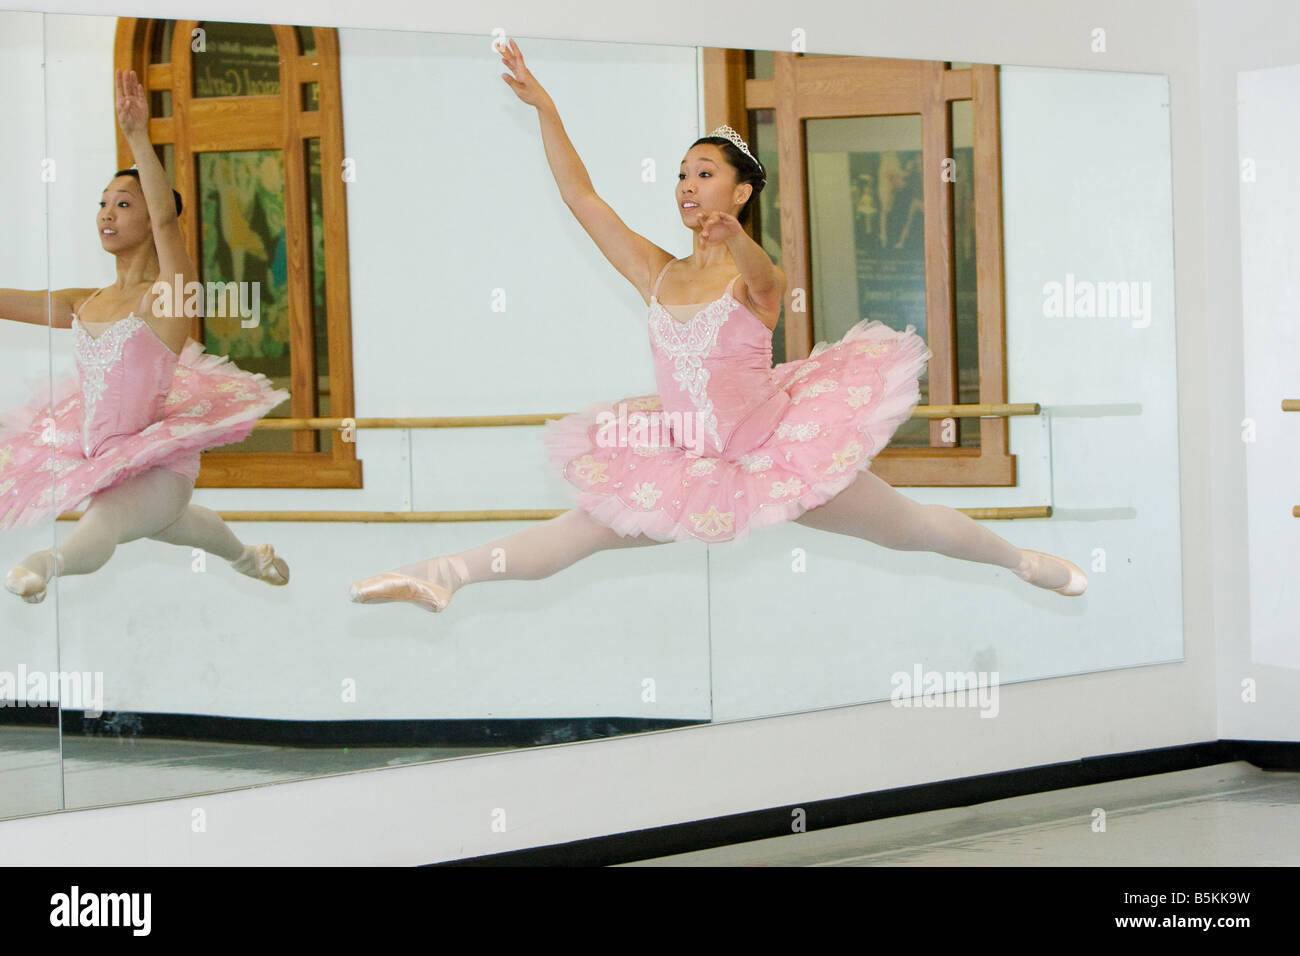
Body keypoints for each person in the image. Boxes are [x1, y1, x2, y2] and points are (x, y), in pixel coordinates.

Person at [348, 38, 1085, 613]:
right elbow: (583, 198)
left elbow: (769, 285)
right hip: (687, 459)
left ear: (740, 188)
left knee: (911, 529)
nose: (687, 186)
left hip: (775, 450)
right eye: (682, 173)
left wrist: (734, 237)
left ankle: (1024, 563)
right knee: (576, 534)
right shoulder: (656, 270)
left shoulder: (751, 276)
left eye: (704, 173)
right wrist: (546, 108)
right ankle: (441, 575)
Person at [0, 69, 290, 603]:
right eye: (103, 201)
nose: (108, 212)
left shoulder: (169, 298)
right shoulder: (84, 302)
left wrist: (137, 135)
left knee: (106, 522)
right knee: (175, 524)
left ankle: (40, 567)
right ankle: (248, 557)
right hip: (98, 455)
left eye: (123, 203)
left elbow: (166, 224)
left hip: (157, 462)